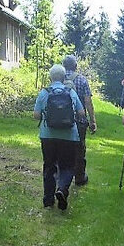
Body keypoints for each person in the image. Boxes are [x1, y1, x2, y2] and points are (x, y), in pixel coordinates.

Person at [34, 64, 86, 210]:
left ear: (50, 77)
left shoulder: (44, 93)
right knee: (67, 166)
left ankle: (48, 199)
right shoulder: (70, 92)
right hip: (69, 136)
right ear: (64, 77)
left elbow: (36, 115)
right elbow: (81, 113)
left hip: (47, 135)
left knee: (49, 166)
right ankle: (62, 189)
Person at [63, 55, 97, 186]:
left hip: (61, 119)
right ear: (76, 66)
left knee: (64, 147)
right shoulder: (82, 80)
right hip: (79, 119)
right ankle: (79, 177)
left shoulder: (58, 78)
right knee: (79, 148)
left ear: (64, 65)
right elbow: (88, 101)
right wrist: (92, 120)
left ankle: (63, 177)